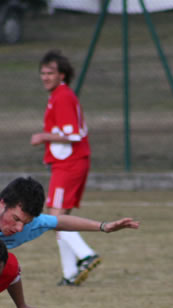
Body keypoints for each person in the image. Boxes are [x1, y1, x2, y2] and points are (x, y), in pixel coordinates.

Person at [0, 176, 139, 284]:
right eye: (15, 219)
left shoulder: (28, 225)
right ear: (3, 203)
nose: (18, 229)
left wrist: (104, 227)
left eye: (24, 223)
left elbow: (58, 221)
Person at [31, 49, 100, 286]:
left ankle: (86, 254)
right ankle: (70, 273)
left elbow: (73, 134)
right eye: (42, 72)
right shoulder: (58, 96)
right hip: (68, 164)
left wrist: (43, 136)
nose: (45, 77)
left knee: (55, 218)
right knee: (61, 220)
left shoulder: (63, 96)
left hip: (69, 165)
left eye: (50, 72)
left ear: (62, 75)